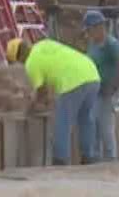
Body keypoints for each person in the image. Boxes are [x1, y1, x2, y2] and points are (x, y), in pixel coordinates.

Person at [8, 34, 101, 166]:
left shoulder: (31, 63)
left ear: (19, 57)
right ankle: (89, 157)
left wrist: (31, 108)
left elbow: (42, 92)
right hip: (92, 74)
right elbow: (54, 69)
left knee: (62, 122)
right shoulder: (43, 44)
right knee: (85, 119)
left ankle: (60, 160)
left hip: (72, 81)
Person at [82, 9, 119, 162]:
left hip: (105, 94)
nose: (88, 33)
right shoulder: (93, 45)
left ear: (98, 27)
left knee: (106, 129)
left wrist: (114, 87)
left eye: (89, 30)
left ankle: (111, 160)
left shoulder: (111, 44)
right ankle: (97, 161)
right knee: (93, 126)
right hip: (95, 92)